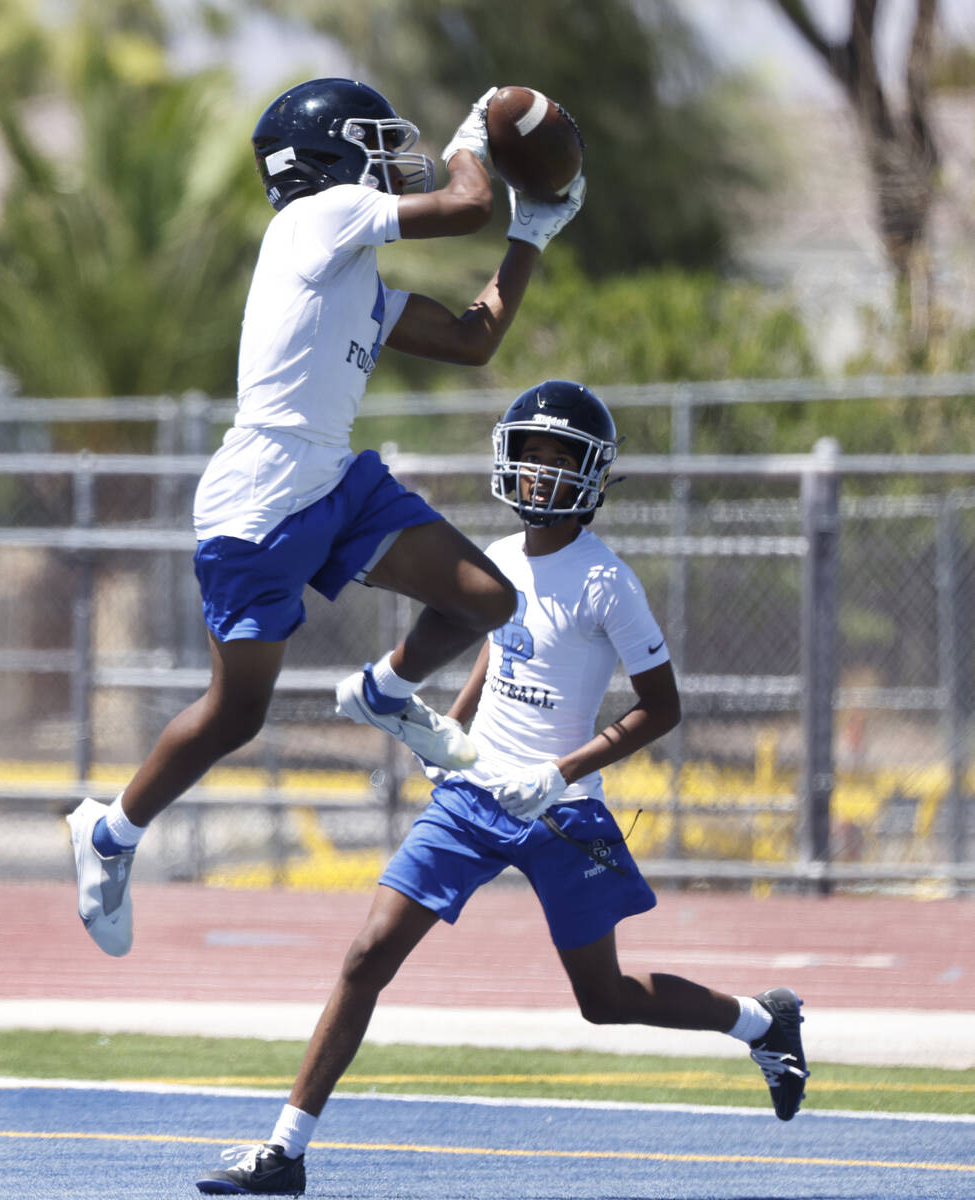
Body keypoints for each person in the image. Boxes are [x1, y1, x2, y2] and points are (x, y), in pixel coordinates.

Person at [193, 379, 810, 1196]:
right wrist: (446, 733)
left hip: (559, 810)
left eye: (560, 461)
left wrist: (555, 773)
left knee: (604, 999)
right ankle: (284, 1151)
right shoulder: (498, 561)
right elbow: (493, 648)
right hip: (470, 797)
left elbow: (662, 709)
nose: (539, 475)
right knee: (367, 954)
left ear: (591, 478)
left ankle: (763, 1020)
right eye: (529, 456)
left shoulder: (607, 582)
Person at [66, 79, 586, 957]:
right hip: (259, 495)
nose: (393, 156)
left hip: (332, 477)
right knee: (237, 715)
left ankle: (386, 690)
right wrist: (476, 138)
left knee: (486, 600)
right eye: (376, 140)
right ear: (329, 156)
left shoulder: (352, 268)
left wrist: (530, 235)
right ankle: (109, 831)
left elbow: (472, 340)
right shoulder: (317, 217)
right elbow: (464, 201)